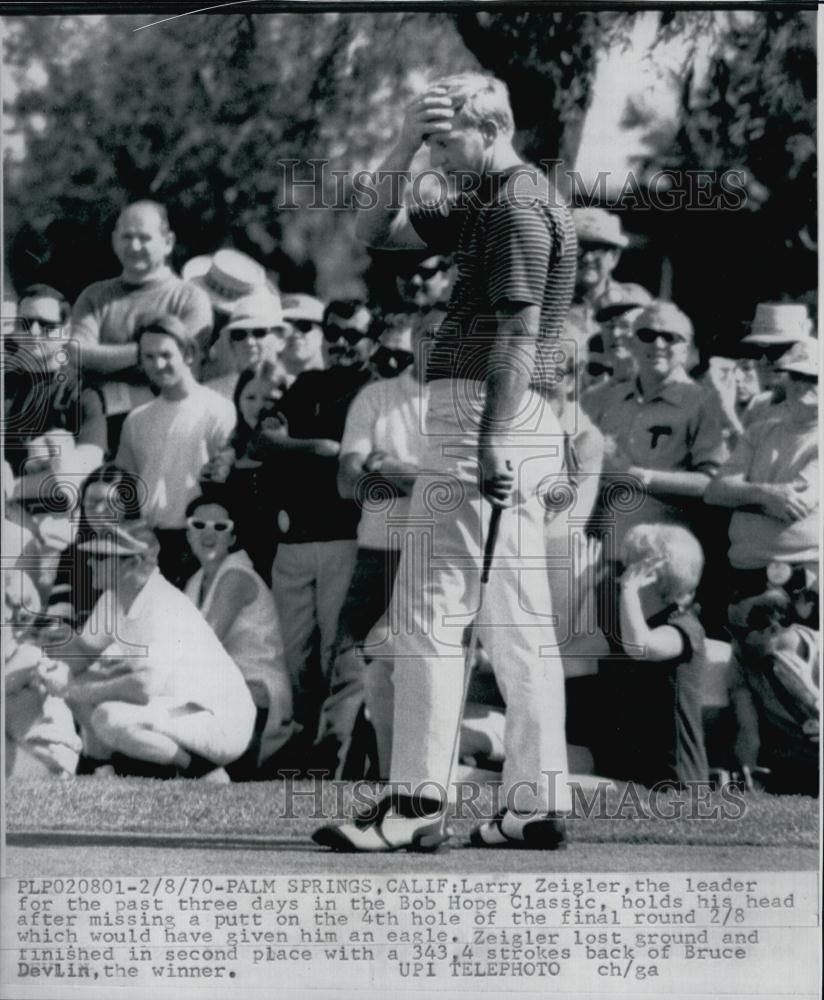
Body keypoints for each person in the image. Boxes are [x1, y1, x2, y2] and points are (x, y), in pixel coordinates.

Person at [314, 71, 577, 851]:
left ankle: (415, 806)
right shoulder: (491, 196)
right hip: (505, 414)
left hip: (481, 414)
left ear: (489, 127)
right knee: (517, 622)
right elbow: (375, 228)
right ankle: (533, 804)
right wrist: (403, 142)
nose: (437, 156)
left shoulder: (513, 203)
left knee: (429, 612)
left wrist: (491, 435)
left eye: (445, 138)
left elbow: (519, 332)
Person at [39, 520, 256, 781]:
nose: (90, 562)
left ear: (133, 563)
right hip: (177, 709)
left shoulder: (164, 604)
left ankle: (201, 772)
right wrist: (47, 658)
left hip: (216, 718)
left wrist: (75, 688)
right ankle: (101, 770)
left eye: (101, 556)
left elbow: (144, 686)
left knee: (108, 716)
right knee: (81, 691)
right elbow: (83, 653)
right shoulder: (114, 596)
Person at [258, 300, 377, 751]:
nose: (341, 343)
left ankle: (333, 753)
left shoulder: (373, 391)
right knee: (295, 655)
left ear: (372, 340)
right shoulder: (307, 383)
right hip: (294, 542)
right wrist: (326, 449)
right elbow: (262, 441)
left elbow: (281, 443)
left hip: (345, 538)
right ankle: (300, 745)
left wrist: (294, 445)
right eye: (333, 333)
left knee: (336, 656)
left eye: (353, 335)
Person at [314, 318, 429, 777]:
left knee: (421, 665)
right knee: (351, 662)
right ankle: (333, 769)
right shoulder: (376, 398)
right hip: (378, 548)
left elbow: (459, 490)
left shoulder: (465, 400)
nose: (432, 345)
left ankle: (403, 774)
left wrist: (387, 467)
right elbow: (347, 483)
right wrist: (421, 480)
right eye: (426, 334)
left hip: (438, 553)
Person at [71, 201, 213, 452]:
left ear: (167, 242)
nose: (134, 246)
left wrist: (107, 363)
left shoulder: (191, 298)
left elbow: (183, 364)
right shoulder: (94, 296)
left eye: (145, 238)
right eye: (127, 236)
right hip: (97, 426)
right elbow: (78, 353)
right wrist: (146, 352)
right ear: (115, 240)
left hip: (168, 428)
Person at [115, 314, 235, 586]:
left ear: (188, 354)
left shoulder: (217, 409)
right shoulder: (136, 419)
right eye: (149, 356)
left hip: (198, 539)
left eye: (166, 355)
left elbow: (227, 482)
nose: (158, 364)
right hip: (149, 541)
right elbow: (126, 487)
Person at [183, 495, 297, 778]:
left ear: (232, 538)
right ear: (187, 533)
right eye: (199, 525)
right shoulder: (195, 581)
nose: (209, 532)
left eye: (220, 527)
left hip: (257, 691)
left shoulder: (236, 575)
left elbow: (203, 643)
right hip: (220, 690)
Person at [703, 339, 818, 609]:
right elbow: (714, 492)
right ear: (785, 380)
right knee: (742, 650)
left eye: (814, 377)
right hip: (744, 573)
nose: (803, 384)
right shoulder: (760, 431)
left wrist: (740, 496)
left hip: (800, 576)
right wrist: (765, 494)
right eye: (797, 375)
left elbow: (792, 506)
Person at [597, 523, 710, 788]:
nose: (619, 576)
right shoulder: (633, 621)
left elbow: (640, 647)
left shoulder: (683, 627)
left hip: (672, 778)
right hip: (635, 767)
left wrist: (628, 591)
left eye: (627, 568)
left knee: (557, 787)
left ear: (650, 575)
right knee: (549, 772)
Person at [200, 361, 290, 582]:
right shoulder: (228, 450)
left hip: (281, 562)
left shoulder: (293, 447)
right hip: (237, 563)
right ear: (238, 400)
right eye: (250, 398)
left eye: (270, 399)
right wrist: (209, 483)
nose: (259, 407)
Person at [4, 284, 106, 475]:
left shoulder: (82, 392)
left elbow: (89, 465)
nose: (33, 332)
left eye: (46, 325)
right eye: (25, 323)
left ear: (65, 333)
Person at [727, 588, 819, 796]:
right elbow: (747, 728)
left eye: (738, 632)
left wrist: (810, 693)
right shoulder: (743, 658)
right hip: (794, 768)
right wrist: (747, 771)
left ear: (773, 629)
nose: (733, 641)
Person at [566, 207, 651, 359]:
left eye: (597, 248)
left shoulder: (635, 301)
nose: (588, 258)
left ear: (614, 257)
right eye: (580, 248)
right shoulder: (549, 305)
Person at [738, 302, 813, 429]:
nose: (763, 361)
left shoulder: (812, 409)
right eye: (757, 352)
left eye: (774, 352)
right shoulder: (757, 405)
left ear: (800, 350)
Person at [205, 289, 287, 400]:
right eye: (239, 334)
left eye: (259, 332)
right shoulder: (210, 396)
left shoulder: (297, 393)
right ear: (231, 344)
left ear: (281, 341)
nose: (249, 342)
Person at [280, 293, 327, 378]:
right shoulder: (264, 386)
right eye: (287, 326)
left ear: (322, 333)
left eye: (304, 326)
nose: (295, 333)